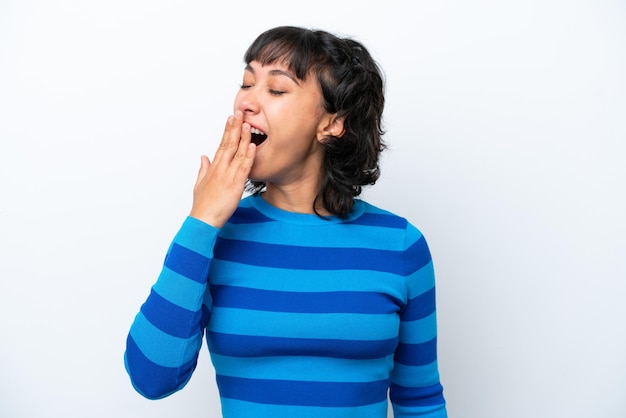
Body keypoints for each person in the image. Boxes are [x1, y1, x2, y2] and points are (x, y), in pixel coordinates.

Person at [124, 25, 448, 418]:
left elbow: (420, 401)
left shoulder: (400, 246)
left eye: (276, 90)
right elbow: (151, 378)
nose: (246, 103)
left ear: (332, 123)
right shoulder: (214, 237)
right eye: (246, 83)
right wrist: (201, 221)